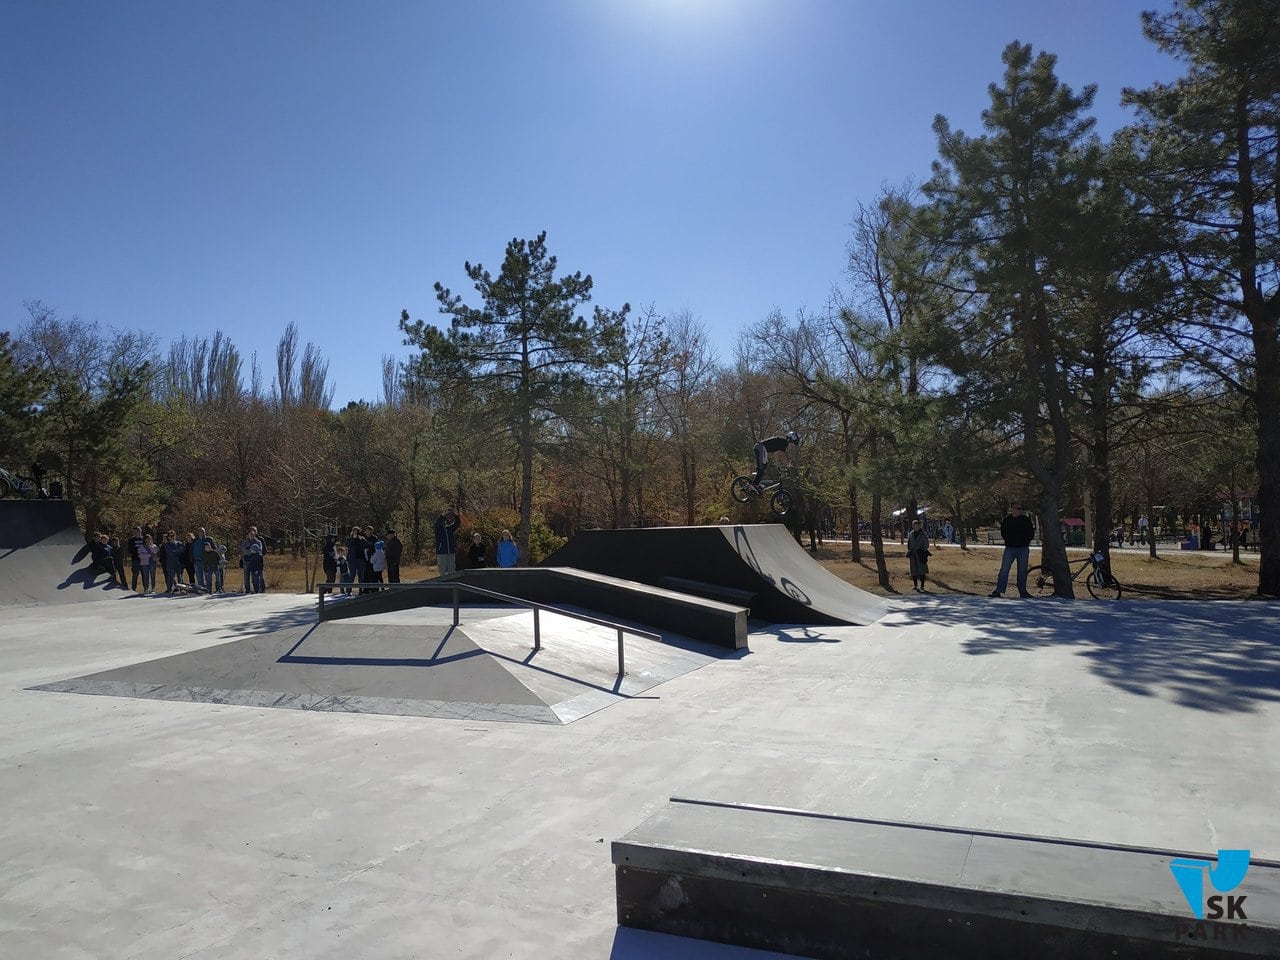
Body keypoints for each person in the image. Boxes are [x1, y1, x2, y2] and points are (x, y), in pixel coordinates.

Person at [990, 504, 1035, 598]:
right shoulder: (1006, 520)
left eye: (1020, 508)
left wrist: (1025, 541)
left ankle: (1023, 591)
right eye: (1017, 508)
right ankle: (999, 590)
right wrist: (1010, 540)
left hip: (1023, 548)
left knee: (1022, 571)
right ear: (1012, 509)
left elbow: (1031, 533)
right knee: (1004, 569)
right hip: (1010, 548)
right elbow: (1004, 533)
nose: (1019, 510)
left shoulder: (1026, 520)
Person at [907, 518, 930, 592]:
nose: (915, 527)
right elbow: (909, 543)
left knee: (921, 570)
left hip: (920, 555)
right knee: (913, 570)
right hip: (913, 555)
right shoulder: (911, 533)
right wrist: (909, 550)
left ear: (920, 526)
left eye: (916, 525)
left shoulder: (923, 534)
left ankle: (922, 586)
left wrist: (922, 551)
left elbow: (926, 544)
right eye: (913, 525)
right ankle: (915, 585)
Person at [434, 508, 459, 574]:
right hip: (442, 553)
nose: (444, 522)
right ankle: (443, 581)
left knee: (452, 571)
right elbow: (437, 523)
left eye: (445, 521)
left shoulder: (450, 529)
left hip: (451, 552)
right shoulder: (438, 529)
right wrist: (442, 515)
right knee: (442, 571)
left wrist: (456, 515)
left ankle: (452, 581)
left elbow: (457, 523)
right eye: (443, 521)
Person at [127, 526, 145, 591]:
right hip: (135, 559)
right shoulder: (131, 540)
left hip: (144, 560)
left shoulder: (144, 539)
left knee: (144, 574)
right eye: (134, 532)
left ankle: (146, 588)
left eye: (137, 531)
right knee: (135, 574)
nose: (136, 533)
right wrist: (137, 552)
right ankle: (134, 588)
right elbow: (129, 550)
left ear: (140, 531)